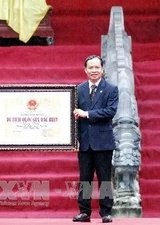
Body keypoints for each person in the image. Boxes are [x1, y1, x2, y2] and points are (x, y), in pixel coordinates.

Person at [73, 55, 119, 223]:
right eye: (90, 68)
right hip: (84, 142)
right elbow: (72, 116)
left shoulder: (111, 89)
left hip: (103, 142)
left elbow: (110, 111)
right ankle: (84, 212)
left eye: (96, 67)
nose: (94, 70)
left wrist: (87, 114)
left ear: (102, 69)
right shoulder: (79, 90)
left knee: (104, 179)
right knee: (84, 178)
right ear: (85, 70)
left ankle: (106, 212)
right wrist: (74, 138)